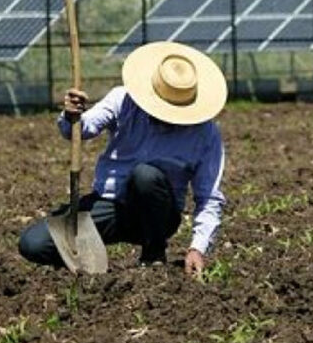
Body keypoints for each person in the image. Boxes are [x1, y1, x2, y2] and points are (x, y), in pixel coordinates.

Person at [19, 41, 227, 276]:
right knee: (33, 243)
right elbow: (81, 129)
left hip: (158, 215)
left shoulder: (205, 133)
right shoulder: (123, 100)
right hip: (111, 205)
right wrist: (71, 115)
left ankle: (153, 255)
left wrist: (197, 248)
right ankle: (85, 266)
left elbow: (209, 198)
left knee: (145, 176)